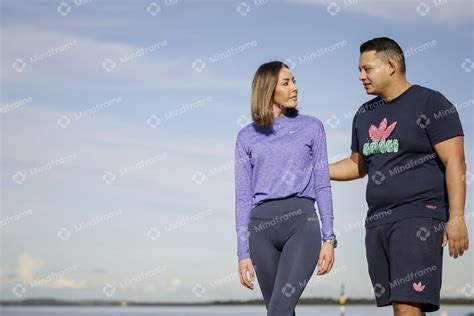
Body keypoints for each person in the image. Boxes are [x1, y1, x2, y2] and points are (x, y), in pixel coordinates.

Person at [329, 37, 469, 315]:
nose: (361, 77)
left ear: (391, 65)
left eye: (366, 69)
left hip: (419, 214)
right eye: (360, 70)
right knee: (399, 306)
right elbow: (358, 165)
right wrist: (314, 170)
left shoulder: (430, 102)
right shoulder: (364, 113)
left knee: (408, 305)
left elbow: (455, 161)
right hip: (378, 220)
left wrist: (456, 217)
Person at [234, 61, 337, 316]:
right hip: (261, 231)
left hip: (301, 225)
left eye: (294, 80)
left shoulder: (312, 127)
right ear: (269, 89)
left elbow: (322, 183)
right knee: (281, 311)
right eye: (286, 82)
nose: (295, 87)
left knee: (279, 311)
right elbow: (242, 197)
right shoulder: (246, 136)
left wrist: (329, 237)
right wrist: (242, 252)